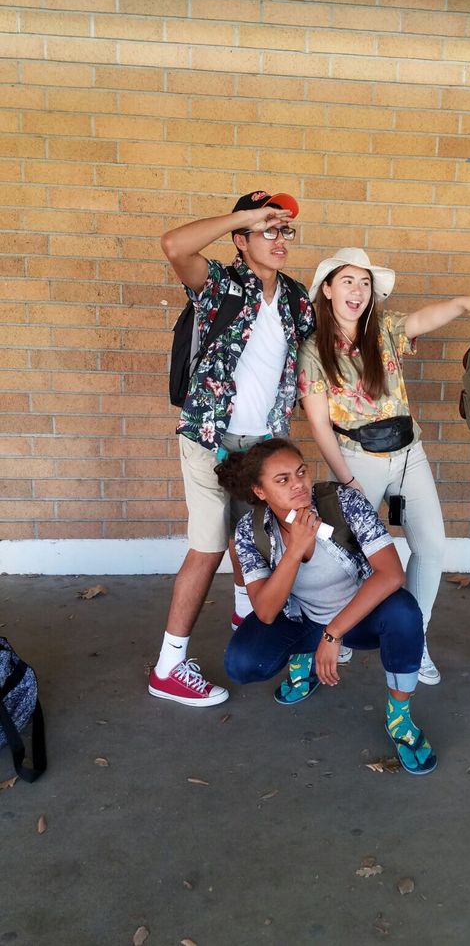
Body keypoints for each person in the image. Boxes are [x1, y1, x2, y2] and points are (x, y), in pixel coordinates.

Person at [297, 248, 470, 686]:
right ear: (328, 289)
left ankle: (416, 640)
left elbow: (425, 319)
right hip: (355, 459)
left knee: (430, 546)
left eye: (365, 283)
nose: (358, 290)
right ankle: (343, 630)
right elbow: (319, 424)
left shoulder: (383, 330)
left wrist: (465, 303)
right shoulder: (314, 349)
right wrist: (348, 481)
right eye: (348, 281)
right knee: (349, 556)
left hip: (410, 455)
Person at [148, 190, 315, 707]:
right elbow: (174, 244)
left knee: (253, 537)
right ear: (241, 239)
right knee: (208, 547)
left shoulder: (294, 297)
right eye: (268, 228)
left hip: (262, 447)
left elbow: (320, 353)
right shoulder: (221, 284)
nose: (279, 238)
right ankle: (168, 667)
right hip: (210, 441)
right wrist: (244, 216)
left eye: (284, 229)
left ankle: (247, 617)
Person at [216, 439, 437, 775]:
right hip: (302, 619)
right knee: (243, 663)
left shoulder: (343, 503)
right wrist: (294, 551)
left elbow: (391, 574)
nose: (298, 485)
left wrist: (333, 634)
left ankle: (400, 718)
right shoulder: (251, 530)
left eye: (301, 472)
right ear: (260, 492)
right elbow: (264, 611)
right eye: (282, 480)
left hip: (359, 621)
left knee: (404, 612)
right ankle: (304, 656)